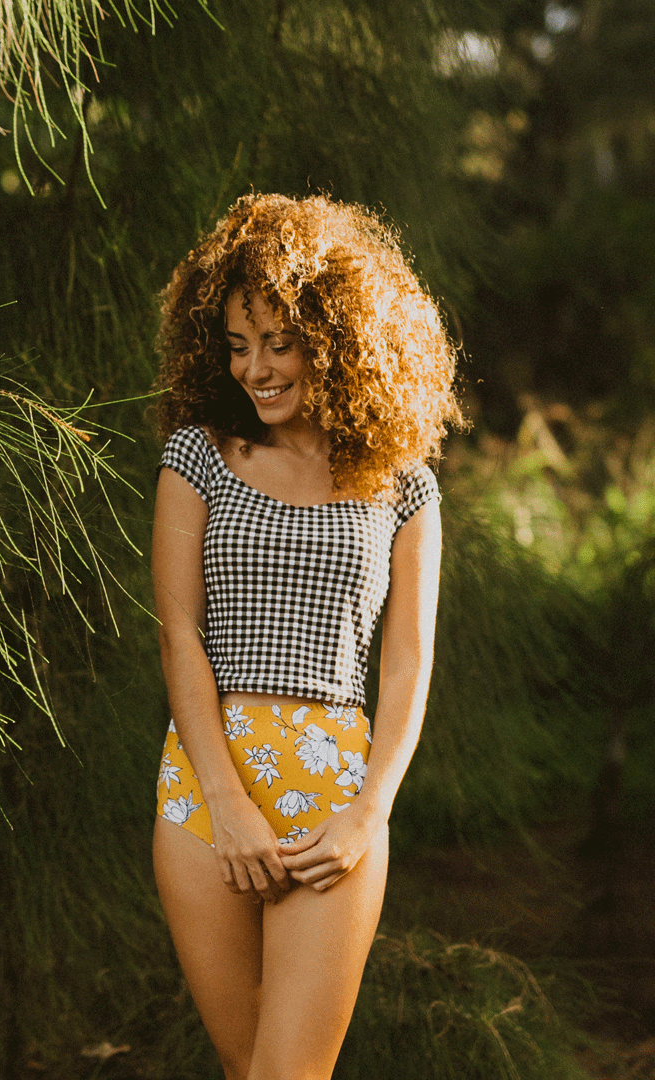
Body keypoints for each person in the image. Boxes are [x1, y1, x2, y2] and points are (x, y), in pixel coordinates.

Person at [151, 192, 462, 1080]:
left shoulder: (404, 486)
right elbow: (180, 636)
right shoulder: (198, 457)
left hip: (337, 806)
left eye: (278, 342)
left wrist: (371, 812)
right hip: (206, 793)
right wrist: (228, 803)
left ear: (337, 336)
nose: (255, 369)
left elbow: (407, 662)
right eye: (237, 345)